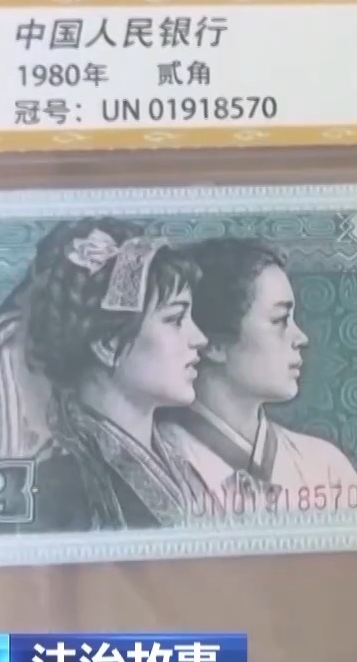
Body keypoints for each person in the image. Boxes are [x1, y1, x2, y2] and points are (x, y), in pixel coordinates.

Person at [12, 217, 217, 532]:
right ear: (108, 343)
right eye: (175, 319)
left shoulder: (179, 461)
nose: (200, 338)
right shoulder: (59, 488)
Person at [161, 237, 357, 518]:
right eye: (280, 320)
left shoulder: (325, 466)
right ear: (214, 344)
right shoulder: (157, 466)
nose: (301, 337)